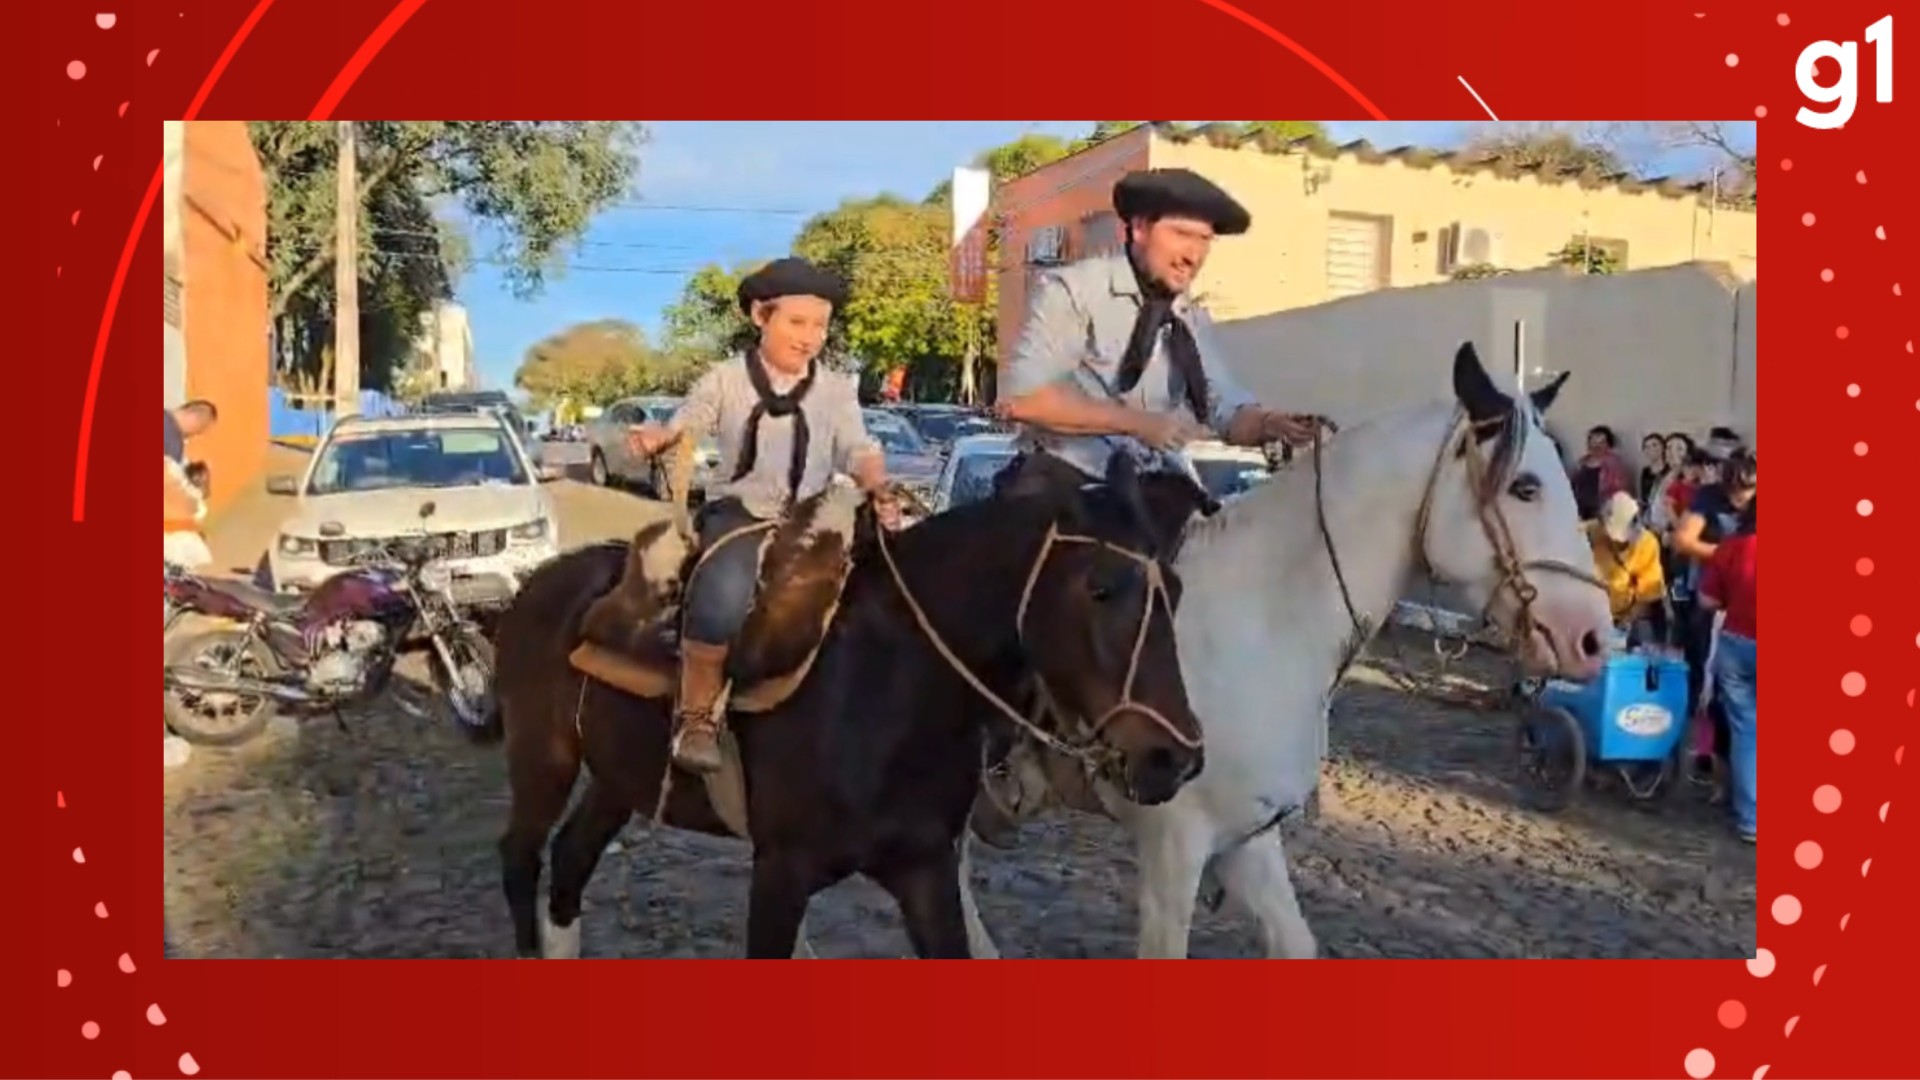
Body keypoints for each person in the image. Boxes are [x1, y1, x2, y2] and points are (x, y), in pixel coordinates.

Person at [626, 257, 897, 775]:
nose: (810, 337)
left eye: (820, 325)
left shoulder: (837, 388)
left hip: (819, 518)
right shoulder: (725, 379)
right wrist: (660, 436)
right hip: (741, 514)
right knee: (722, 589)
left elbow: (857, 448)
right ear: (760, 315)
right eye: (797, 323)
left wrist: (878, 483)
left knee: (886, 583)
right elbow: (689, 422)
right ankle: (698, 716)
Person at [991, 167, 1327, 503]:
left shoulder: (1190, 320)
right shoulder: (1074, 291)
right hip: (1062, 484)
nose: (1192, 256)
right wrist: (1138, 424)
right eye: (1181, 233)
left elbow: (1226, 413)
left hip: (1153, 487)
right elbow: (1026, 399)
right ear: (1138, 228)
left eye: (1204, 240)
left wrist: (1273, 424)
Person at [1672, 448, 1756, 785]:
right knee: (1708, 684)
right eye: (1735, 491)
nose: (1740, 500)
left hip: (1746, 603)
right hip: (1711, 598)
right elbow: (1682, 540)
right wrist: (1728, 557)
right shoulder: (1708, 497)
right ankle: (1708, 756)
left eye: (1747, 492)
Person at [1699, 496, 1757, 842]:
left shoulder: (1732, 547)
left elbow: (1707, 601)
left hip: (1737, 644)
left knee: (1747, 730)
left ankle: (1752, 820)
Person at [1585, 491, 1667, 646]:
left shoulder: (1647, 543)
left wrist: (1622, 624)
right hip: (1587, 615)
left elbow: (1647, 597)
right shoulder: (1585, 535)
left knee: (1644, 640)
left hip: (1626, 615)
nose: (1620, 544)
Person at [1569, 424, 1630, 522]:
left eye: (1601, 442)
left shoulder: (1614, 463)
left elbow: (1619, 490)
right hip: (1580, 512)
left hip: (1602, 513)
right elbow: (1572, 485)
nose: (1596, 446)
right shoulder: (1581, 463)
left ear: (1608, 444)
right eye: (1593, 441)